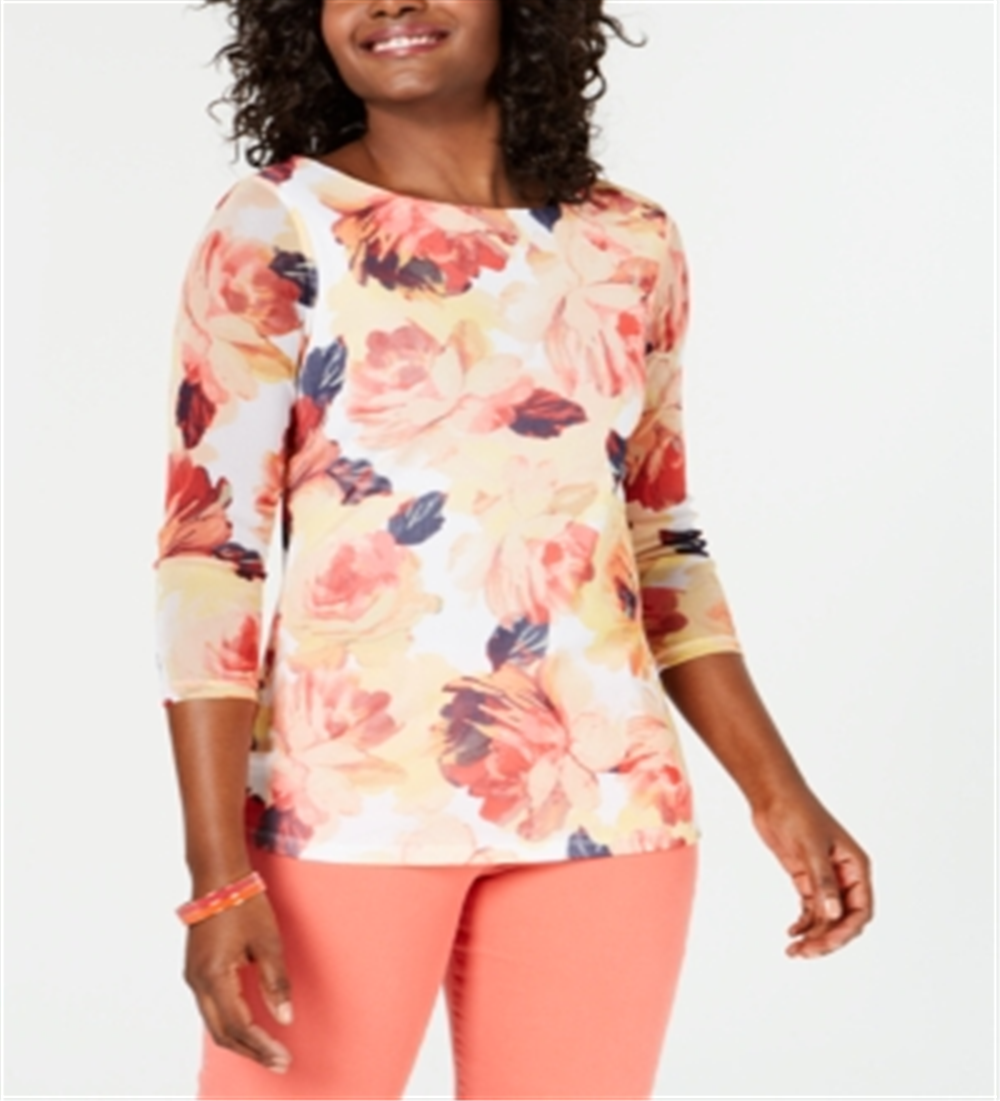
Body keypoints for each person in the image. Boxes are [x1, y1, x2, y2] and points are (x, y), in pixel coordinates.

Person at [154, 0, 875, 1097]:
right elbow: (213, 553)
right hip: (343, 813)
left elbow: (659, 537)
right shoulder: (279, 225)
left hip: (610, 805)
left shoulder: (629, 241)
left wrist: (779, 792)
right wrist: (218, 876)